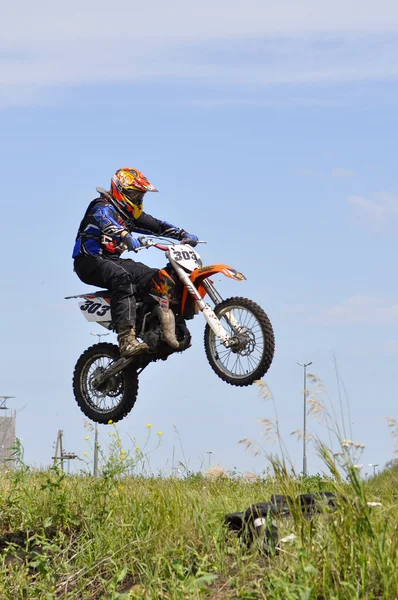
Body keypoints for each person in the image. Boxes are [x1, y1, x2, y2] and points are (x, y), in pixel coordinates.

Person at [72, 167, 198, 357]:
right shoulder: (102, 206)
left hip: (112, 260)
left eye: (141, 196)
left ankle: (152, 326)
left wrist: (182, 234)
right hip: (89, 261)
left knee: (156, 278)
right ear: (120, 190)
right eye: (134, 194)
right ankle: (126, 339)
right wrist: (125, 235)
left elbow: (157, 226)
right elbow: (105, 222)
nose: (138, 199)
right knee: (123, 278)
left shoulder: (129, 215)